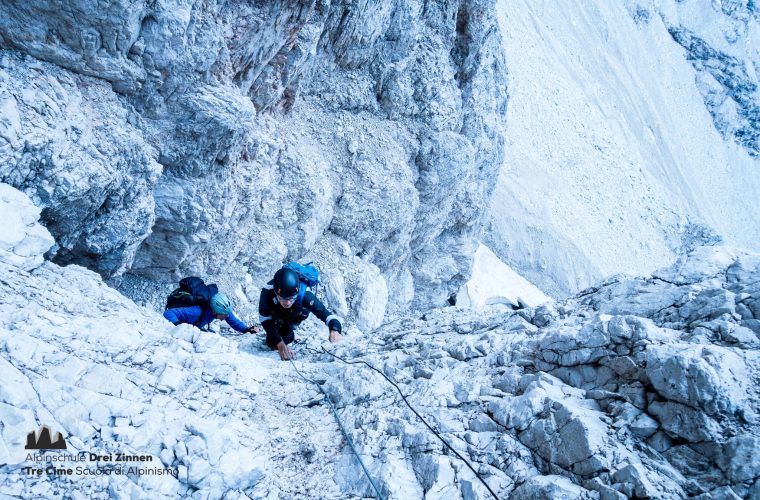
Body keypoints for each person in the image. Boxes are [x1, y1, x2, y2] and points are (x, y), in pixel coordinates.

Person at [259, 267, 343, 360]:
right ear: (275, 292)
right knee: (271, 341)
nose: (287, 303)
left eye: (291, 298)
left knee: (287, 337)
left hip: (296, 313)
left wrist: (334, 329)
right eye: (282, 298)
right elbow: (265, 318)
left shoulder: (305, 295)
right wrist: (279, 343)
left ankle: (286, 328)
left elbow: (325, 314)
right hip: (277, 310)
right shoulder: (267, 291)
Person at [164, 292, 258, 334]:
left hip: (195, 326)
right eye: (224, 315)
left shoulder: (223, 311)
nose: (227, 316)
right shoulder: (195, 312)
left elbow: (234, 321)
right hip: (181, 328)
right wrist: (179, 326)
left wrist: (247, 329)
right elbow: (168, 313)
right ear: (214, 311)